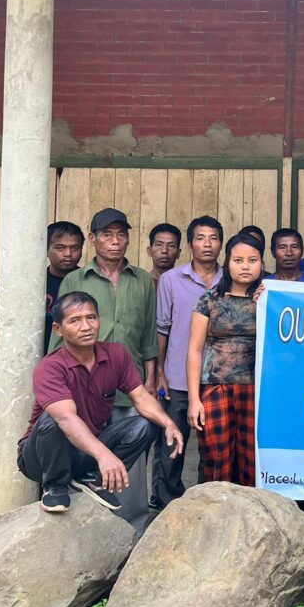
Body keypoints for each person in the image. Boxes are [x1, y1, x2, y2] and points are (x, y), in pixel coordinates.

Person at [19, 292, 183, 513]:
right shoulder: (50, 368)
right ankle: (55, 485)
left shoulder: (116, 355)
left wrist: (169, 424)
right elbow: (65, 418)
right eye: (75, 320)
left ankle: (93, 478)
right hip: (40, 457)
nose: (86, 326)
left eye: (91, 318)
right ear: (58, 329)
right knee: (53, 418)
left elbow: (141, 397)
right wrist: (103, 455)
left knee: (146, 424)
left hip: (85, 448)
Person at [50, 207, 158, 533]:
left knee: (133, 464)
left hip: (130, 386)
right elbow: (62, 335)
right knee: (85, 455)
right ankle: (89, 533)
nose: (115, 241)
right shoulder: (75, 279)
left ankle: (132, 531)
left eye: (121, 234)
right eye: (107, 235)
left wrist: (152, 379)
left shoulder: (142, 281)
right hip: (85, 387)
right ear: (93, 239)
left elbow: (149, 335)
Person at [151, 215, 223, 511]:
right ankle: (168, 505)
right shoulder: (171, 279)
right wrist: (158, 373)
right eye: (200, 238)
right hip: (177, 377)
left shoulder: (230, 277)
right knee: (171, 445)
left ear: (221, 243)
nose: (207, 244)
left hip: (218, 377)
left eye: (213, 238)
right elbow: (161, 329)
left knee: (212, 448)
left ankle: (203, 505)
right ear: (190, 244)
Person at [186, 234, 265, 486]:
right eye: (238, 260)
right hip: (215, 389)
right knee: (217, 460)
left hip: (256, 392)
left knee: (252, 462)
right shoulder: (209, 300)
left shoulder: (270, 299)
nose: (245, 266)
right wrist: (193, 400)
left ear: (262, 263)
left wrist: (268, 303)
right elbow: (194, 351)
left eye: (252, 260)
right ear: (227, 263)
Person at [45, 221, 85, 354]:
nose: (68, 254)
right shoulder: (34, 284)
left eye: (75, 248)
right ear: (46, 249)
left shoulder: (89, 281)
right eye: (60, 248)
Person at [146, 223, 182, 288]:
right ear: (149, 251)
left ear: (178, 253)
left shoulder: (184, 285)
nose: (164, 251)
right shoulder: (141, 283)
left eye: (171, 246)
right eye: (159, 245)